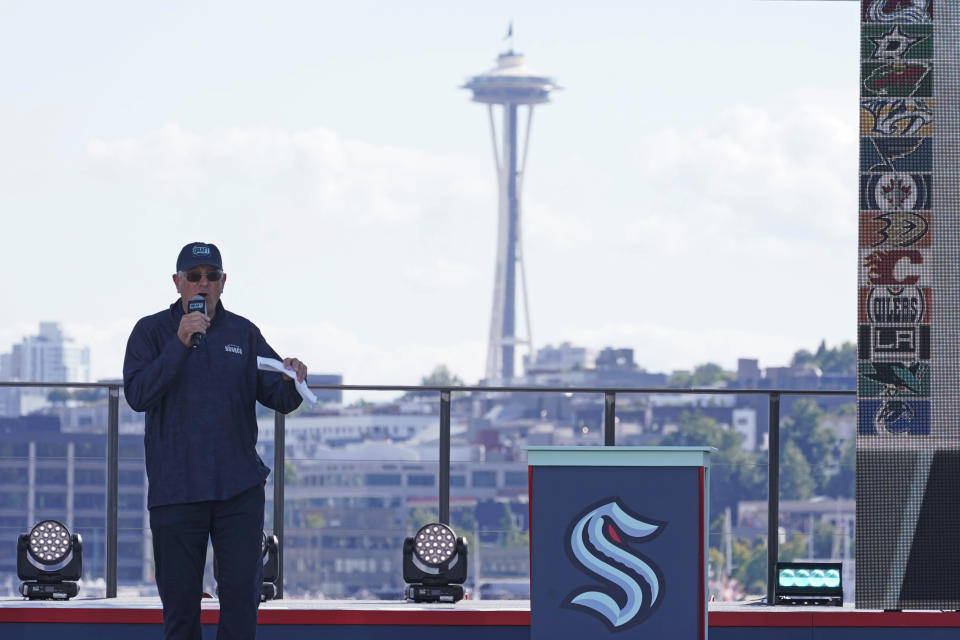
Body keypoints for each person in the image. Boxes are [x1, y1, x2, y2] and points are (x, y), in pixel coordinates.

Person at [123, 242, 307, 640]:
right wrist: (181, 342)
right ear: (178, 283)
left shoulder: (244, 332)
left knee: (242, 605)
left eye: (211, 276)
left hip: (237, 489)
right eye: (194, 276)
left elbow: (278, 397)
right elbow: (137, 396)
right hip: (176, 489)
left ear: (224, 283)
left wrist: (292, 378)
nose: (203, 284)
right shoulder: (150, 331)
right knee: (181, 611)